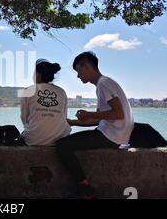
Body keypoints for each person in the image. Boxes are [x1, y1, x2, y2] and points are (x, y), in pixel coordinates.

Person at [55, 51, 134, 199]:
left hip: (112, 136)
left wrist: (89, 114)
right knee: (67, 143)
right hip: (113, 135)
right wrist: (73, 122)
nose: (78, 76)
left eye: (78, 71)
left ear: (86, 66)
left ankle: (85, 188)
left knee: (62, 145)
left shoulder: (104, 84)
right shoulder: (103, 84)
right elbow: (99, 120)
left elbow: (118, 114)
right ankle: (84, 188)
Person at [20, 58, 71, 146]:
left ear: (38, 75)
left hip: (33, 140)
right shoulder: (62, 92)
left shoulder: (27, 90)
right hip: (59, 139)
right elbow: (63, 117)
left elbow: (24, 118)